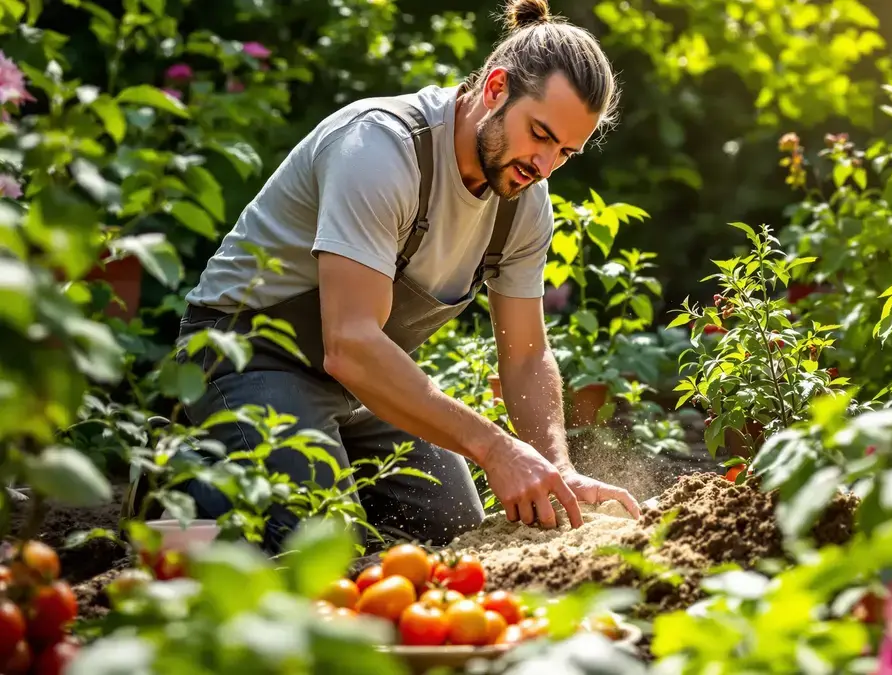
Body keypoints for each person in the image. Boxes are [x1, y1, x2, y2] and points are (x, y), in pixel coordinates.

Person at [169, 0, 641, 554]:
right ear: (494, 89)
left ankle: (315, 468)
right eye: (539, 134)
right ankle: (187, 478)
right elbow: (350, 343)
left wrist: (558, 467)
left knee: (457, 535)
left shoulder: (523, 203)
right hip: (242, 357)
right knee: (319, 551)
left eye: (565, 151)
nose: (544, 165)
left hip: (351, 386)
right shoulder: (380, 150)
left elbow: (525, 355)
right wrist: (496, 449)